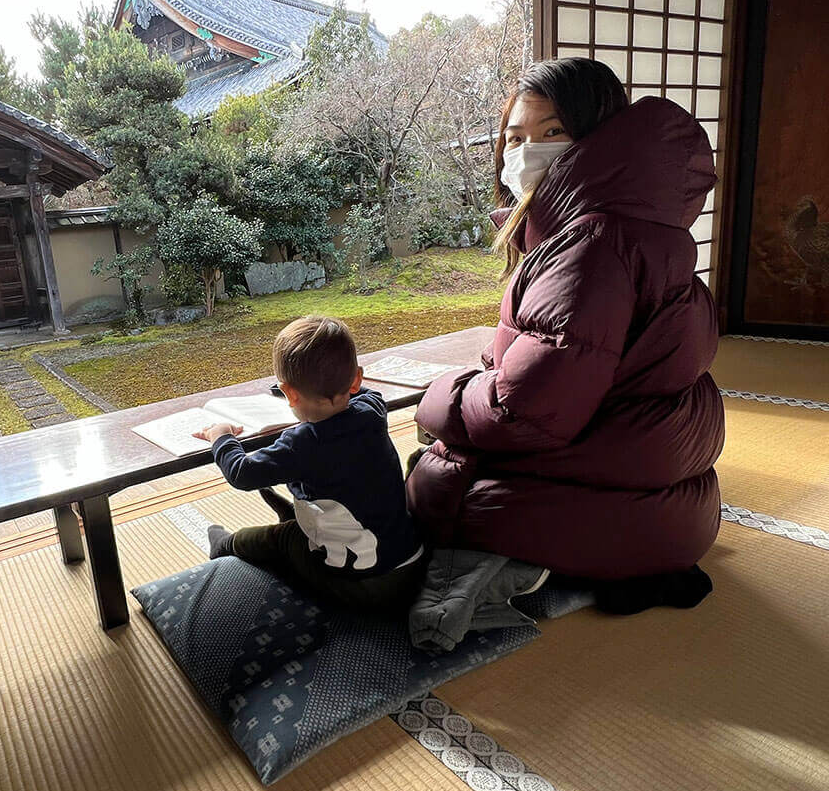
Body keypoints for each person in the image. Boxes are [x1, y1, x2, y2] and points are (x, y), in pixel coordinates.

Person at [406, 58, 723, 610]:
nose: (526, 153)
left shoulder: (591, 243)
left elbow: (524, 410)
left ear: (600, 137)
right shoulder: (629, 223)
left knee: (432, 481)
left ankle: (500, 577)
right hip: (655, 487)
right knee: (440, 455)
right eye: (514, 138)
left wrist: (441, 397)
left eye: (552, 132)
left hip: (625, 498)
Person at [195, 316, 426, 613]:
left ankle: (225, 546)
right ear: (356, 379)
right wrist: (326, 387)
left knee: (283, 540)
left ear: (289, 393)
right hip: (411, 565)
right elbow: (367, 394)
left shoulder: (301, 443)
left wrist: (221, 437)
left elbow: (242, 473)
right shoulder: (371, 410)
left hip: (360, 587)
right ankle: (294, 516)